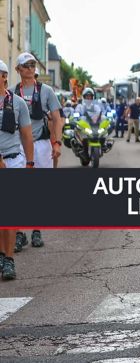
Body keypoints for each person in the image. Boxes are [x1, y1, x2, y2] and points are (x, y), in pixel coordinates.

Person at [13, 52, 62, 250]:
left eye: (33, 64)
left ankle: (36, 230)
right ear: (18, 70)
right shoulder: (11, 92)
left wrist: (57, 142)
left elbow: (57, 118)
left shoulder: (46, 91)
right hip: (18, 146)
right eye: (26, 65)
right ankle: (17, 233)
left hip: (41, 144)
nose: (31, 68)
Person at [0, 59, 34, 280]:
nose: (1, 78)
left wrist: (30, 163)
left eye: (2, 75)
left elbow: (26, 135)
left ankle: (9, 259)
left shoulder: (18, 103)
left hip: (13, 161)